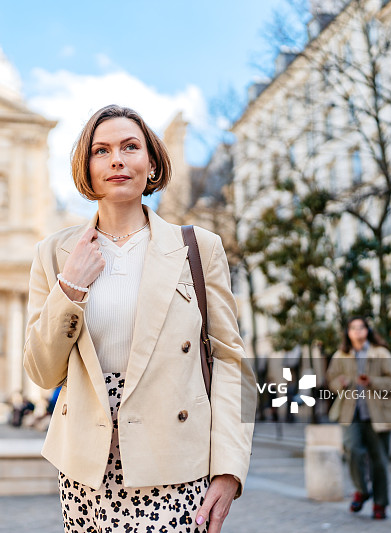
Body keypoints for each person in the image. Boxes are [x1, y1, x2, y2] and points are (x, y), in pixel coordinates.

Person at [24, 104, 256, 533]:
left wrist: (229, 466)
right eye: (101, 150)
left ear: (151, 162)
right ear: (86, 167)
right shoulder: (54, 253)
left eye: (130, 146)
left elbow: (231, 362)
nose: (117, 159)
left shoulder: (199, 248)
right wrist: (70, 288)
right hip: (87, 470)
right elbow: (42, 371)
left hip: (173, 461)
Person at [326, 317, 391, 520]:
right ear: (348, 332)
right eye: (353, 328)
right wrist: (339, 383)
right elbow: (331, 379)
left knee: (379, 460)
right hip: (351, 413)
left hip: (378, 413)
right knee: (352, 450)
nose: (358, 331)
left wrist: (372, 381)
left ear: (368, 330)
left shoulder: (380, 353)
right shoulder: (341, 355)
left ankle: (380, 504)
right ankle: (361, 490)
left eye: (361, 327)